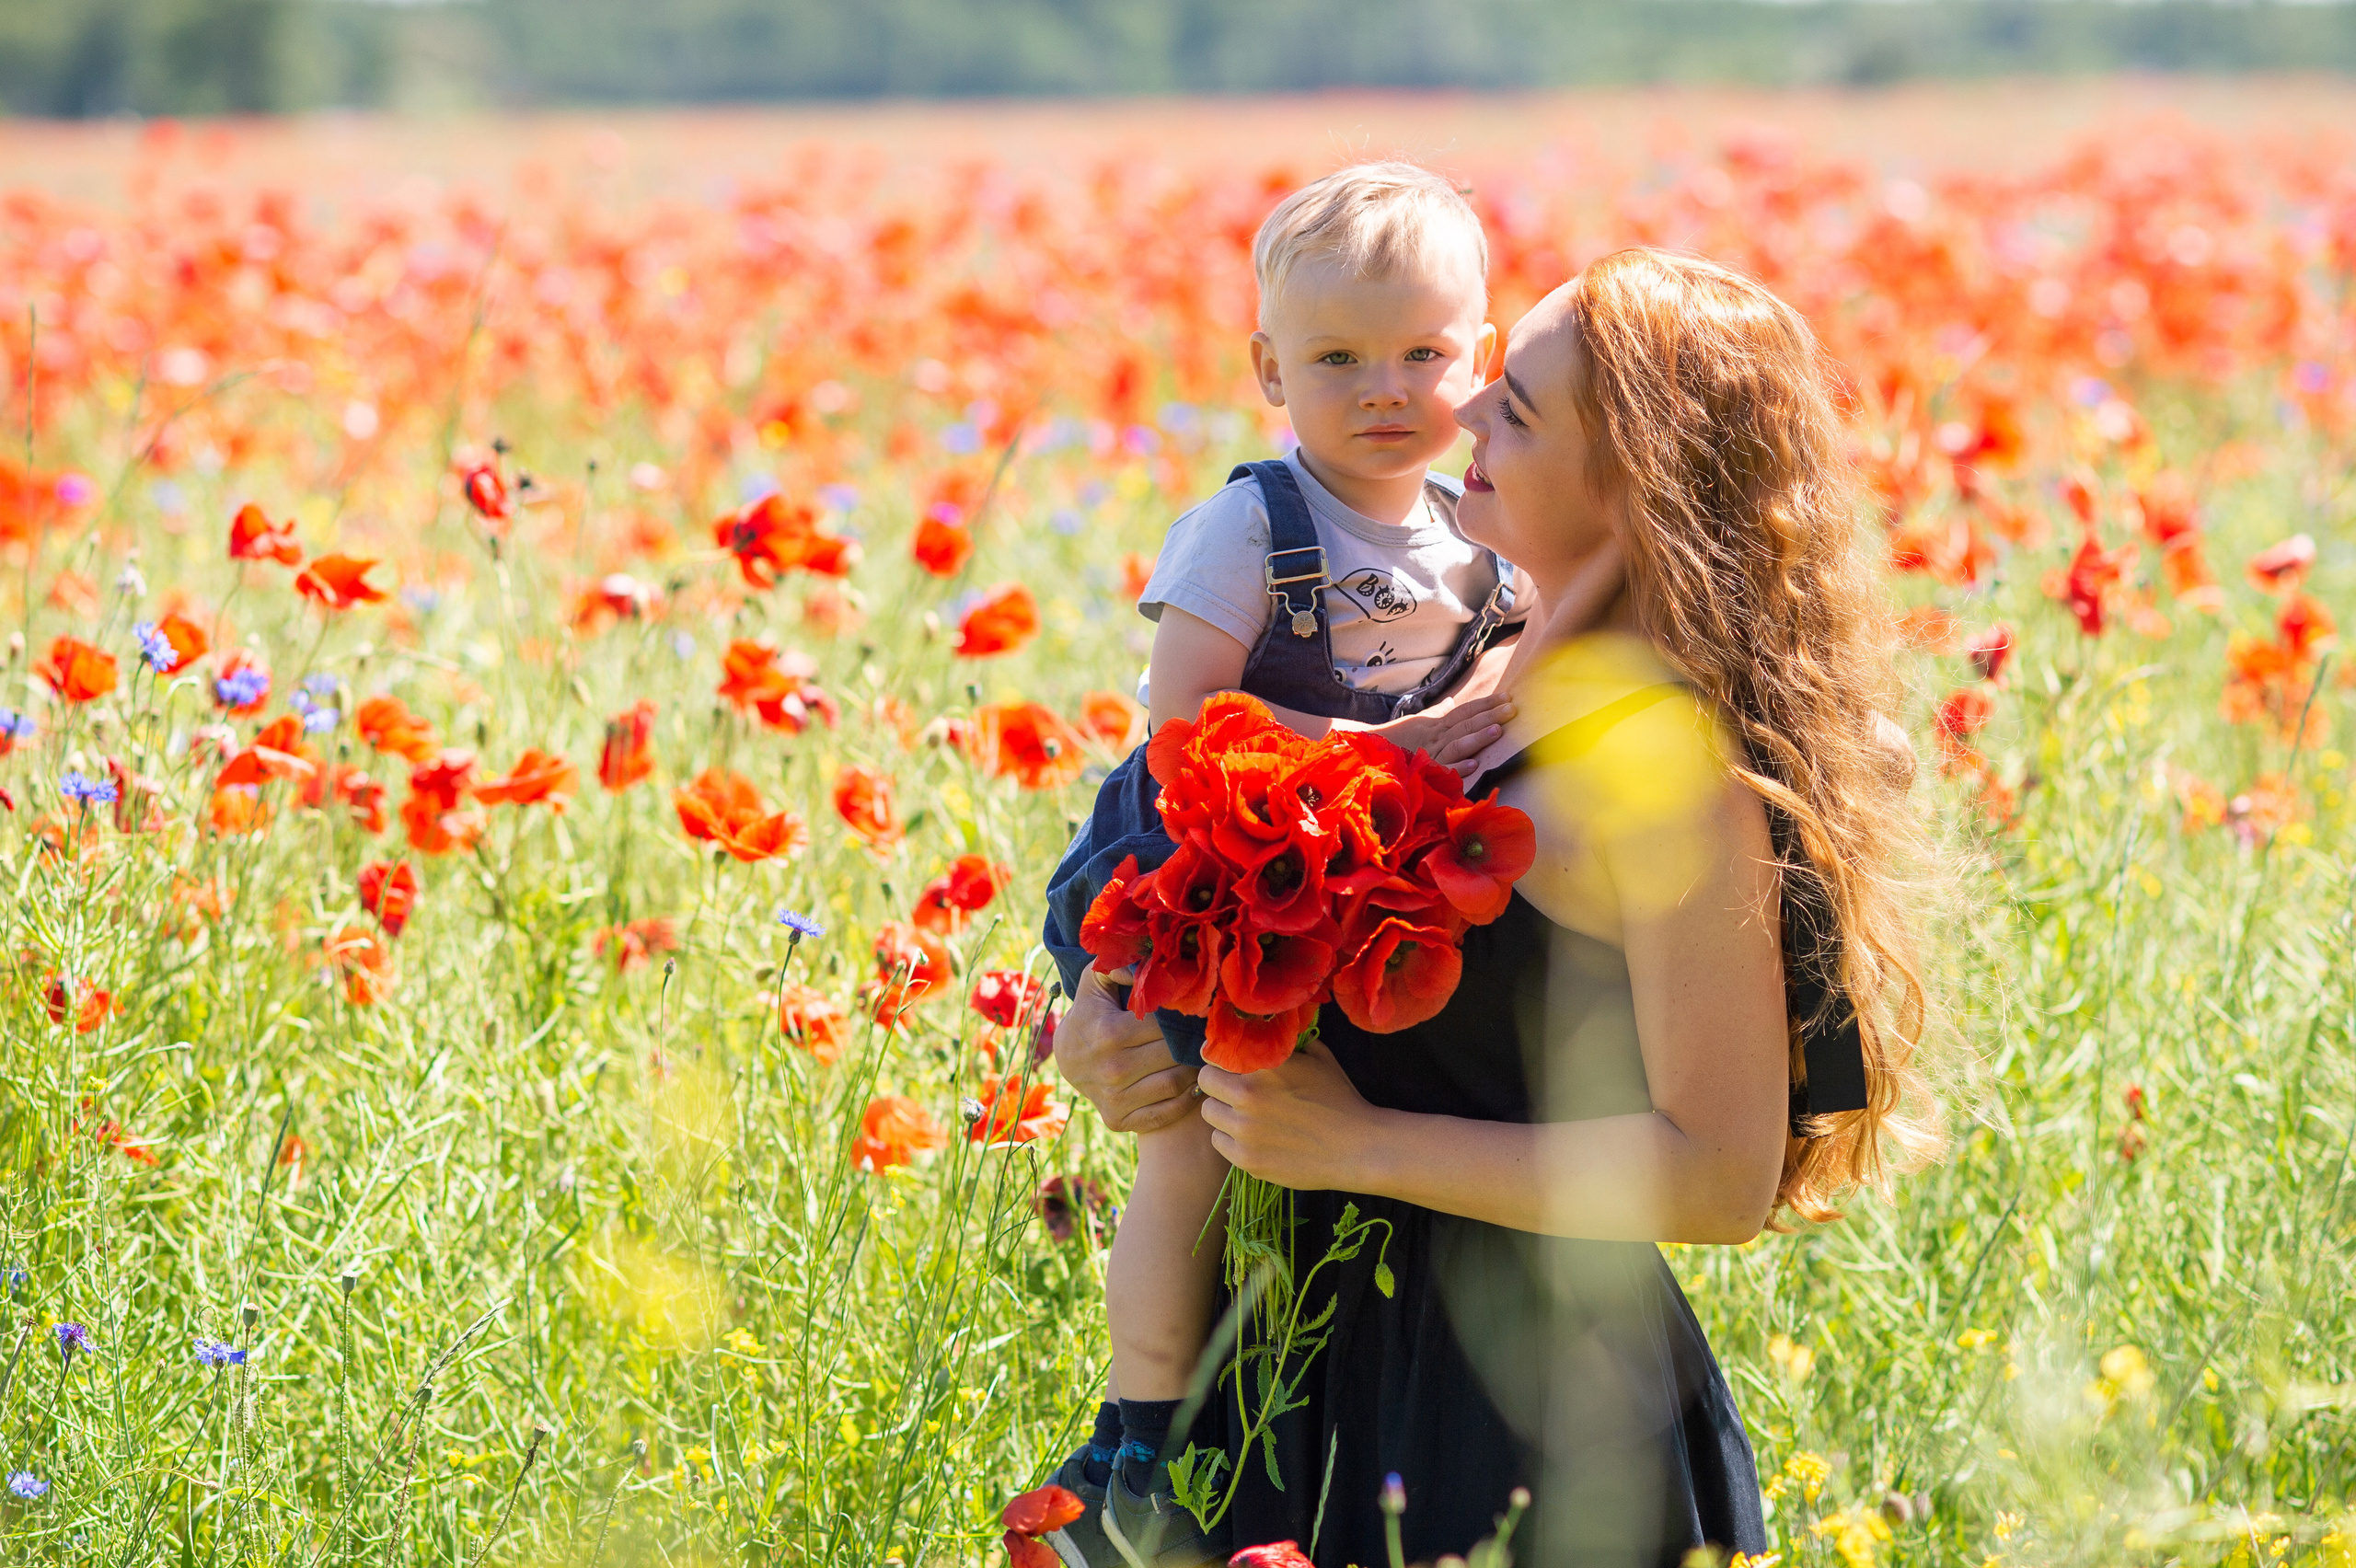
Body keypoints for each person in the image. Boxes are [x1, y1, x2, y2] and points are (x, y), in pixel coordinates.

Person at [1054, 248, 1941, 1566]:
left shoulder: (1670, 771)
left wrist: (1358, 1147)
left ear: (1630, 481)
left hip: (1519, 1428)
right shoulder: (1472, 667)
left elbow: (1716, 1173)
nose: (1458, 413)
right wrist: (1116, 1029)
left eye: (1514, 408)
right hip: (1304, 1374)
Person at [1038, 162, 1532, 1566]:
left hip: (1326, 886)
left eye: (1425, 354)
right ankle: (1134, 1439)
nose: (1386, 386)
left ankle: (1276, 1418)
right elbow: (1188, 728)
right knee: (1189, 1154)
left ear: (1479, 359)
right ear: (1267, 367)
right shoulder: (1253, 525)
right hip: (1188, 870)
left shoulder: (1480, 552)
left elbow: (1510, 701)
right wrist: (1398, 744)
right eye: (1337, 357)